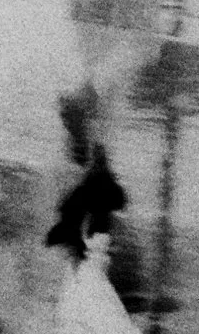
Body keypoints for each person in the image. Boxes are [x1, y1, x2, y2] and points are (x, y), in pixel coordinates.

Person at [46, 143, 139, 334]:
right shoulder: (110, 187)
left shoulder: (83, 189)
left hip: (89, 243)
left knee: (84, 284)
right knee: (94, 284)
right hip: (99, 242)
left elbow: (66, 210)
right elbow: (122, 202)